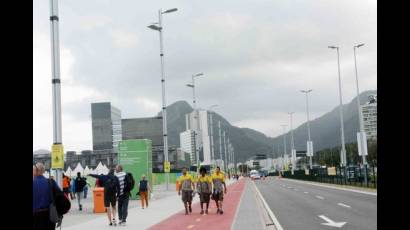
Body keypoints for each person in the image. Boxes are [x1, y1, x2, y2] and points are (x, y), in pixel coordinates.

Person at [33, 162, 62, 230]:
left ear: (36, 171)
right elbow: (61, 198)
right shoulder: (51, 182)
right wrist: (60, 214)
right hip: (49, 216)